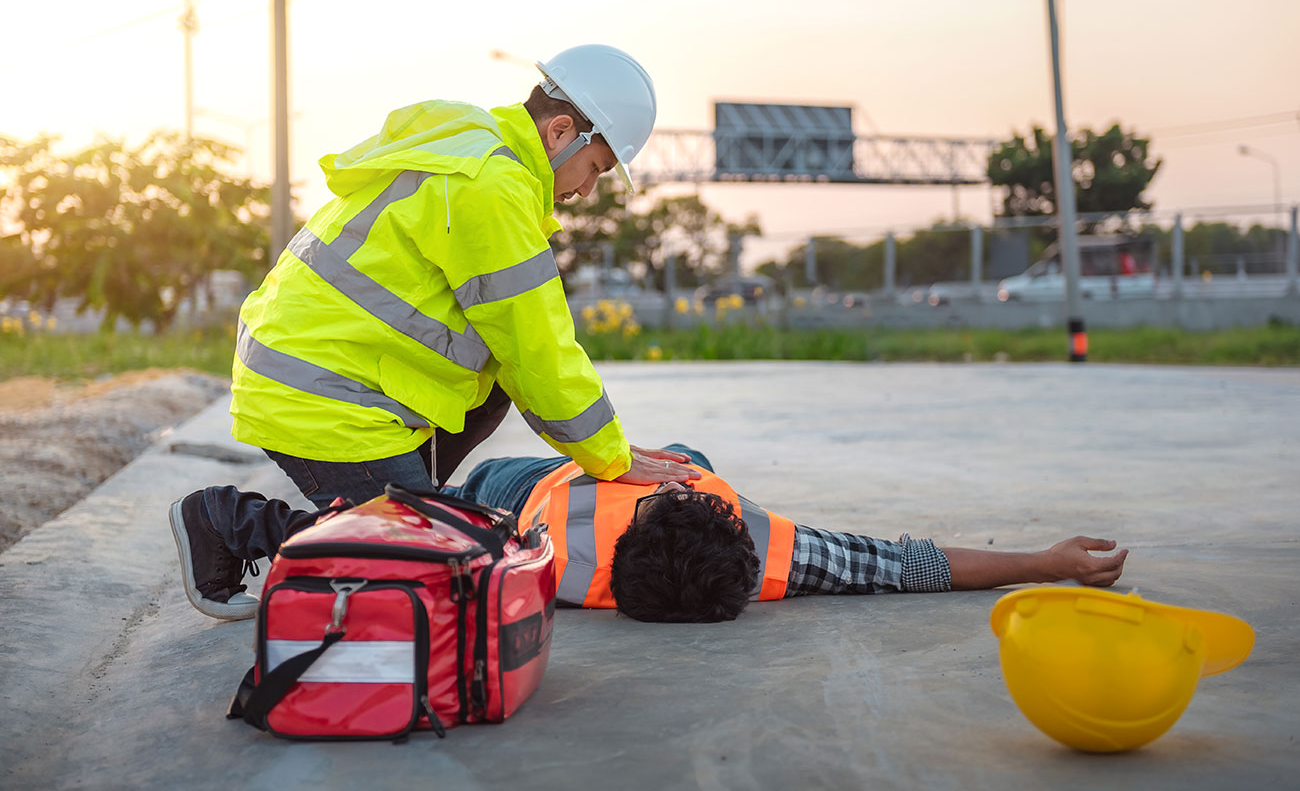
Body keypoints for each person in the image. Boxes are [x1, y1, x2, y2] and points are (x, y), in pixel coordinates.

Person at [225, 44, 699, 544]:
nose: (586, 191)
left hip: (312, 375)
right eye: (597, 168)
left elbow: (519, 354)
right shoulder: (490, 187)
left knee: (493, 388)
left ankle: (409, 508)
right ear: (559, 132)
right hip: (319, 397)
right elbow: (539, 348)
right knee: (452, 562)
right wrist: (612, 457)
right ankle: (230, 523)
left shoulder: (469, 146)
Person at [170, 445, 1128, 622]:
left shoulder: (537, 560)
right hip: (540, 474)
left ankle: (236, 520)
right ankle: (670, 452)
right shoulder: (773, 553)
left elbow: (909, 563)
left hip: (523, 488)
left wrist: (1047, 560)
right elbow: (908, 566)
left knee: (424, 525)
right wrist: (1041, 563)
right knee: (681, 447)